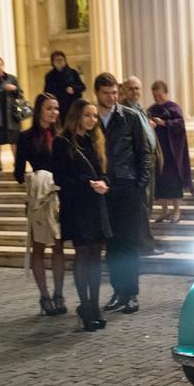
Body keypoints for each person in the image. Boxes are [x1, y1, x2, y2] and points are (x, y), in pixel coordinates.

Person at [93, 73, 151, 314]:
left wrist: (140, 184)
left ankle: (131, 293)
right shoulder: (91, 117)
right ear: (97, 93)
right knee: (112, 244)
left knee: (128, 243)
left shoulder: (130, 117)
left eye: (115, 92)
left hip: (127, 187)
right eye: (107, 93)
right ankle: (118, 291)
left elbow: (144, 152)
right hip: (102, 190)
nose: (112, 97)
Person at [52, 99, 111, 332]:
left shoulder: (95, 141)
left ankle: (94, 307)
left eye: (95, 116)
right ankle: (85, 305)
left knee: (96, 256)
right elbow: (61, 178)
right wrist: (89, 184)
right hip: (77, 206)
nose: (92, 120)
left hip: (96, 205)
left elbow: (105, 172)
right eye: (88, 115)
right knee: (83, 254)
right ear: (77, 115)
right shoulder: (62, 142)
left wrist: (104, 183)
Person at [13, 92, 65, 316]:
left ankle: (59, 294)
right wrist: (35, 179)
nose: (53, 112)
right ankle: (44, 296)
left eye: (56, 108)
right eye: (49, 108)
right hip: (38, 198)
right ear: (39, 110)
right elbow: (17, 172)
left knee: (59, 246)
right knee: (39, 247)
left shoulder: (63, 135)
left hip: (59, 196)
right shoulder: (26, 137)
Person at [121, 76, 163, 256]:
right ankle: (145, 246)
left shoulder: (141, 110)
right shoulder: (124, 112)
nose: (135, 92)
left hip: (150, 162)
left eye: (137, 88)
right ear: (124, 90)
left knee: (148, 205)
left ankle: (144, 244)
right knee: (142, 207)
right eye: (131, 89)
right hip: (138, 165)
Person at [147, 80, 192, 223]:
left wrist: (164, 123)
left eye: (160, 95)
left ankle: (176, 210)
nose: (158, 99)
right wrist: (151, 125)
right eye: (155, 96)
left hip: (172, 152)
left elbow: (179, 124)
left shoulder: (173, 107)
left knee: (173, 181)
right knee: (160, 183)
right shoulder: (152, 109)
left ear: (166, 93)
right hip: (158, 152)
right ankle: (164, 210)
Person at [43, 50, 86, 123]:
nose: (59, 62)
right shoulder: (49, 76)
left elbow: (83, 87)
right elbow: (46, 92)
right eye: (56, 60)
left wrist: (73, 89)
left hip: (72, 106)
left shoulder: (73, 73)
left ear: (65, 61)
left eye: (61, 59)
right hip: (57, 108)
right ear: (52, 62)